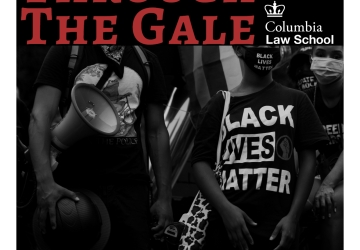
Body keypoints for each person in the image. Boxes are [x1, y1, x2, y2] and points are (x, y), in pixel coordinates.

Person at [28, 45, 173, 250]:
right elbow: (40, 115)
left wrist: (165, 198)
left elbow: (157, 132)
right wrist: (45, 184)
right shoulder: (66, 51)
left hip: (130, 189)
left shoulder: (146, 61)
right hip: (74, 184)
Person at [191, 45, 329, 250]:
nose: (265, 48)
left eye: (270, 44)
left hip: (279, 230)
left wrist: (293, 216)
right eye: (257, 42)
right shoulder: (221, 103)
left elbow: (309, 160)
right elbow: (200, 163)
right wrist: (226, 210)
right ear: (238, 49)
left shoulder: (297, 100)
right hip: (228, 228)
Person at [304, 45, 344, 250]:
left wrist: (328, 184)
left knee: (334, 201)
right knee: (295, 200)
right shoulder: (305, 99)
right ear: (311, 57)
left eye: (336, 56)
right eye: (320, 54)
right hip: (321, 172)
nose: (327, 61)